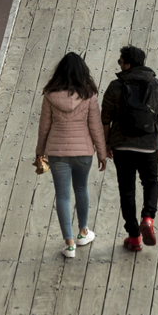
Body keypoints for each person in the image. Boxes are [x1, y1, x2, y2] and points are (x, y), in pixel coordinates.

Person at [33, 52, 109, 259]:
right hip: (83, 152)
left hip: (57, 152)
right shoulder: (89, 95)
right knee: (82, 188)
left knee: (63, 196)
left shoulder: (50, 95)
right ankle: (83, 232)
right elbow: (95, 127)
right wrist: (102, 153)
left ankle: (69, 244)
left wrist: (40, 152)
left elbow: (44, 127)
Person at [100, 46, 158, 252]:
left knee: (127, 190)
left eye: (120, 62)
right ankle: (148, 218)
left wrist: (107, 143)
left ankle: (133, 237)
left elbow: (105, 118)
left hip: (122, 145)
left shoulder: (115, 86)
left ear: (128, 64)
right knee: (151, 183)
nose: (119, 65)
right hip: (149, 145)